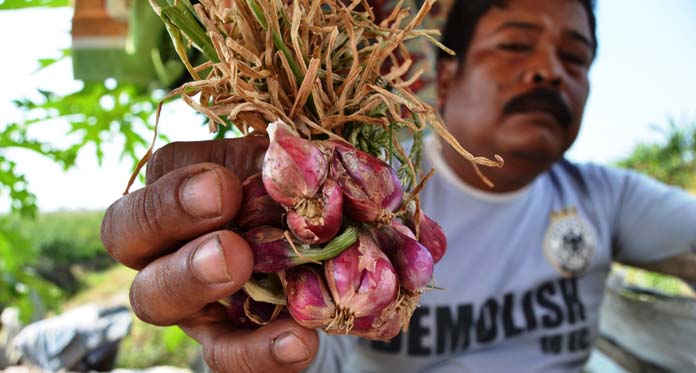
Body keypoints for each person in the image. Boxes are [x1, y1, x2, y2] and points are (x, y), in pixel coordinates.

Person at [100, 0, 696, 371]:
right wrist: (251, 313)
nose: (549, 70)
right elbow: (307, 343)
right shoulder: (385, 180)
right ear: (449, 72)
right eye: (515, 44)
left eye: (576, 56)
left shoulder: (608, 197)